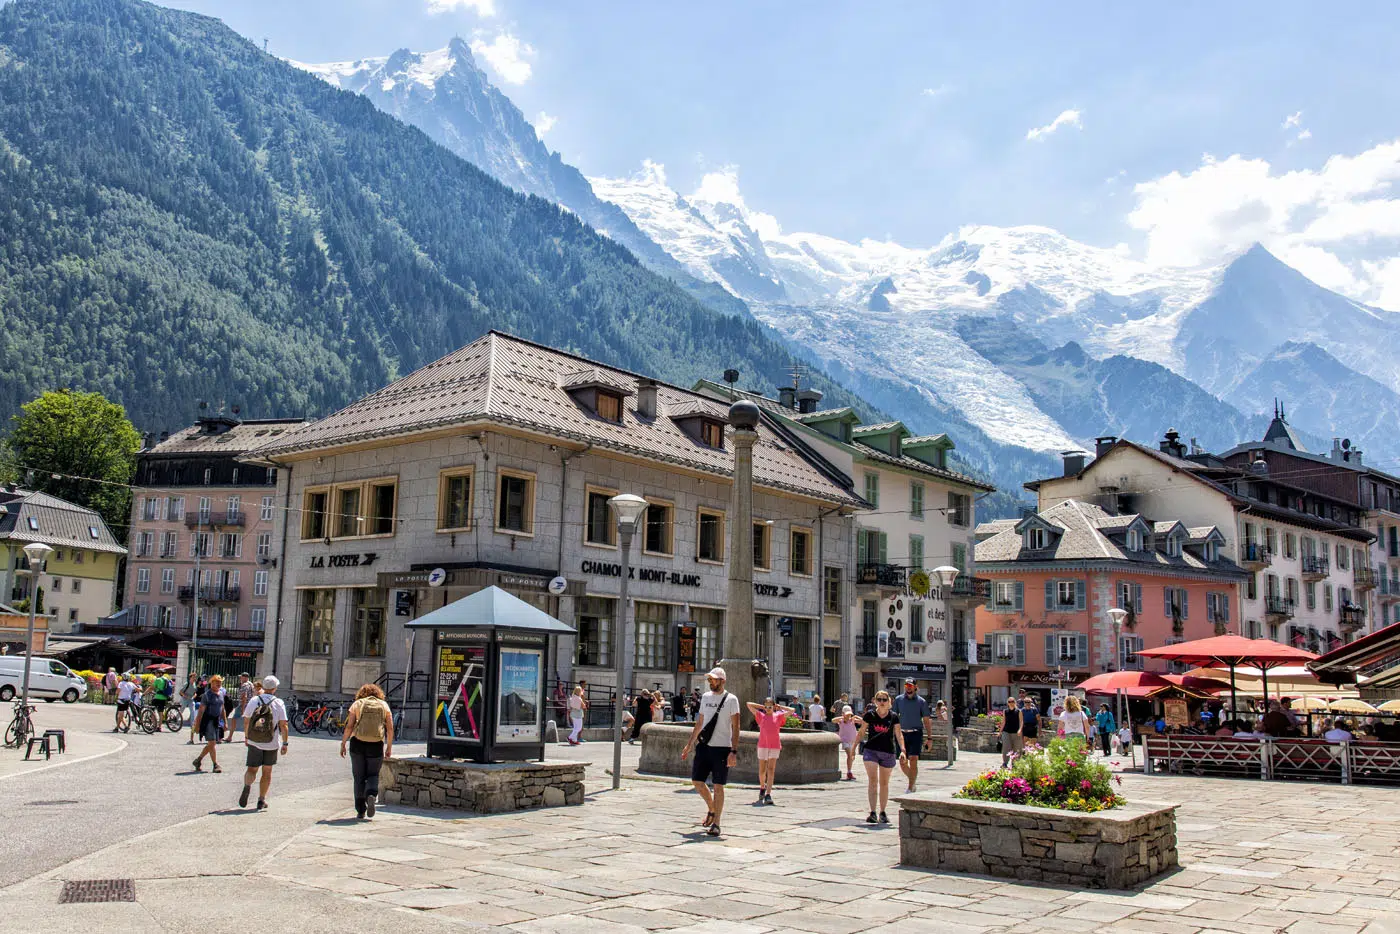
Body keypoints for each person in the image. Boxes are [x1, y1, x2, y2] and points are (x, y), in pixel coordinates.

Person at [680, 667, 741, 837]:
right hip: (704, 746)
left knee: (718, 785)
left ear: (722, 681)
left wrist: (733, 751)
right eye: (710, 680)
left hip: (722, 748)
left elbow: (736, 726)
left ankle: (717, 823)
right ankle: (712, 809)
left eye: (714, 680)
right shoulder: (705, 698)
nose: (711, 682)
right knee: (697, 781)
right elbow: (700, 723)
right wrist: (689, 744)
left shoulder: (731, 699)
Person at [340, 683, 394, 819]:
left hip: (357, 743)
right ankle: (371, 794)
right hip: (376, 744)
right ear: (379, 693)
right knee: (373, 774)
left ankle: (360, 810)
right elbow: (390, 728)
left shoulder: (357, 704)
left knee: (358, 777)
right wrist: (388, 747)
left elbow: (349, 726)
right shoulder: (384, 705)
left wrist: (343, 743)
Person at [239, 675, 290, 810]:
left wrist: (246, 737)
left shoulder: (255, 700)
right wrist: (285, 743)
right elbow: (283, 725)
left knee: (252, 769)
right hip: (271, 742)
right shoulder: (278, 703)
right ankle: (261, 799)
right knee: (267, 771)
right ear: (274, 688)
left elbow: (246, 720)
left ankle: (247, 786)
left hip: (254, 740)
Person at [856, 690, 906, 825]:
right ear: (875, 701)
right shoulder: (870, 715)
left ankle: (882, 812)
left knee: (884, 783)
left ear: (889, 701)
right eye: (879, 699)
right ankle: (872, 812)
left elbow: (898, 734)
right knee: (873, 780)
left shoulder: (893, 716)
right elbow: (861, 732)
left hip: (888, 751)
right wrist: (853, 748)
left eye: (884, 699)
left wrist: (903, 750)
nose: (882, 702)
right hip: (871, 750)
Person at [747, 697, 795, 805]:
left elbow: (792, 711)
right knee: (762, 769)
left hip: (774, 745)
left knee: (771, 769)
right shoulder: (761, 715)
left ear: (773, 706)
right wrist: (762, 707)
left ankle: (768, 794)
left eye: (770, 706)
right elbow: (749, 704)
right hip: (763, 744)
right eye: (766, 706)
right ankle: (762, 787)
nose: (768, 708)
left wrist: (779, 707)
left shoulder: (778, 715)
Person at [891, 679, 932, 793]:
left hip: (916, 733)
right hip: (902, 734)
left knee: (913, 759)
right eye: (906, 685)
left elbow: (926, 720)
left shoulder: (921, 701)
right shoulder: (898, 700)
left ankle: (910, 786)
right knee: (902, 761)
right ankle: (913, 780)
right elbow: (893, 718)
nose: (908, 688)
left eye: (910, 685)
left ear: (915, 687)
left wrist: (929, 738)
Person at [191, 675, 226, 773]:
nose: (218, 684)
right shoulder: (207, 695)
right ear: (211, 683)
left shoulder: (221, 693)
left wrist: (225, 722)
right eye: (216, 682)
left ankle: (198, 760)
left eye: (220, 682)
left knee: (212, 743)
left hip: (216, 721)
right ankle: (215, 765)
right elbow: (201, 712)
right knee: (212, 743)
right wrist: (197, 726)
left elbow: (223, 708)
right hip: (208, 721)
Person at [835, 705, 862, 780]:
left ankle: (849, 772)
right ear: (843, 714)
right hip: (845, 741)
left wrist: (857, 716)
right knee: (849, 755)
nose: (848, 716)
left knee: (851, 757)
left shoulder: (852, 721)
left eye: (849, 714)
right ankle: (849, 772)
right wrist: (842, 717)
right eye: (847, 714)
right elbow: (833, 720)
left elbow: (863, 721)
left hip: (852, 741)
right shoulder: (841, 721)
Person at [226, 673, 254, 741]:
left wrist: (243, 708)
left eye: (241, 677)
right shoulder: (250, 684)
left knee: (234, 719)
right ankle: (247, 737)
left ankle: (230, 737)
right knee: (247, 721)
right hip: (249, 704)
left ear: (245, 677)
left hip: (243, 704)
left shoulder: (244, 685)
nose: (240, 678)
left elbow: (244, 696)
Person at [1000, 698, 1022, 767]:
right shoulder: (1005, 711)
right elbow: (1004, 721)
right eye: (1009, 702)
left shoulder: (1019, 711)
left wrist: (1020, 730)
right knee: (1006, 747)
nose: (1011, 703)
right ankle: (1005, 763)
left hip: (1016, 732)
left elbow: (1021, 722)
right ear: (1008, 703)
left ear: (1015, 702)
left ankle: (1015, 763)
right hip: (1006, 731)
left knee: (1016, 748)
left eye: (1012, 701)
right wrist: (1000, 731)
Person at [179, 673, 199, 744]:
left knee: (193, 712)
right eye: (193, 677)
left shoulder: (194, 684)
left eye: (195, 677)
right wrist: (185, 696)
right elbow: (180, 692)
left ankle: (192, 724)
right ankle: (176, 719)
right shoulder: (186, 684)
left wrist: (194, 697)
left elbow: (195, 693)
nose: (194, 679)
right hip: (185, 699)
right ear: (190, 678)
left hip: (191, 699)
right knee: (182, 710)